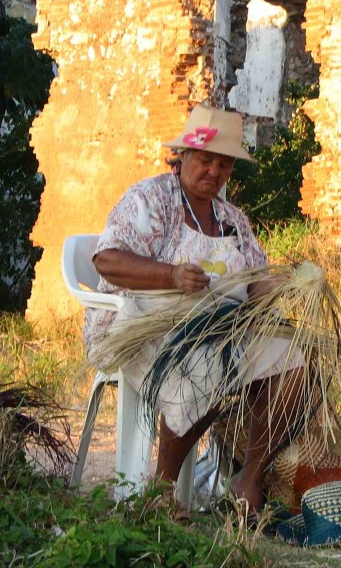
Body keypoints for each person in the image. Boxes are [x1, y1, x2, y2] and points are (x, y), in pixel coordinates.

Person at [84, 104, 304, 511]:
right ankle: (163, 490)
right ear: (182, 155)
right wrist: (170, 276)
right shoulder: (151, 199)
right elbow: (107, 260)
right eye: (205, 160)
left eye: (224, 165)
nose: (214, 172)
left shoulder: (231, 220)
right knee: (209, 364)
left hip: (219, 328)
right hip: (141, 323)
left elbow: (255, 279)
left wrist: (279, 286)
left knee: (294, 360)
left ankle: (248, 478)